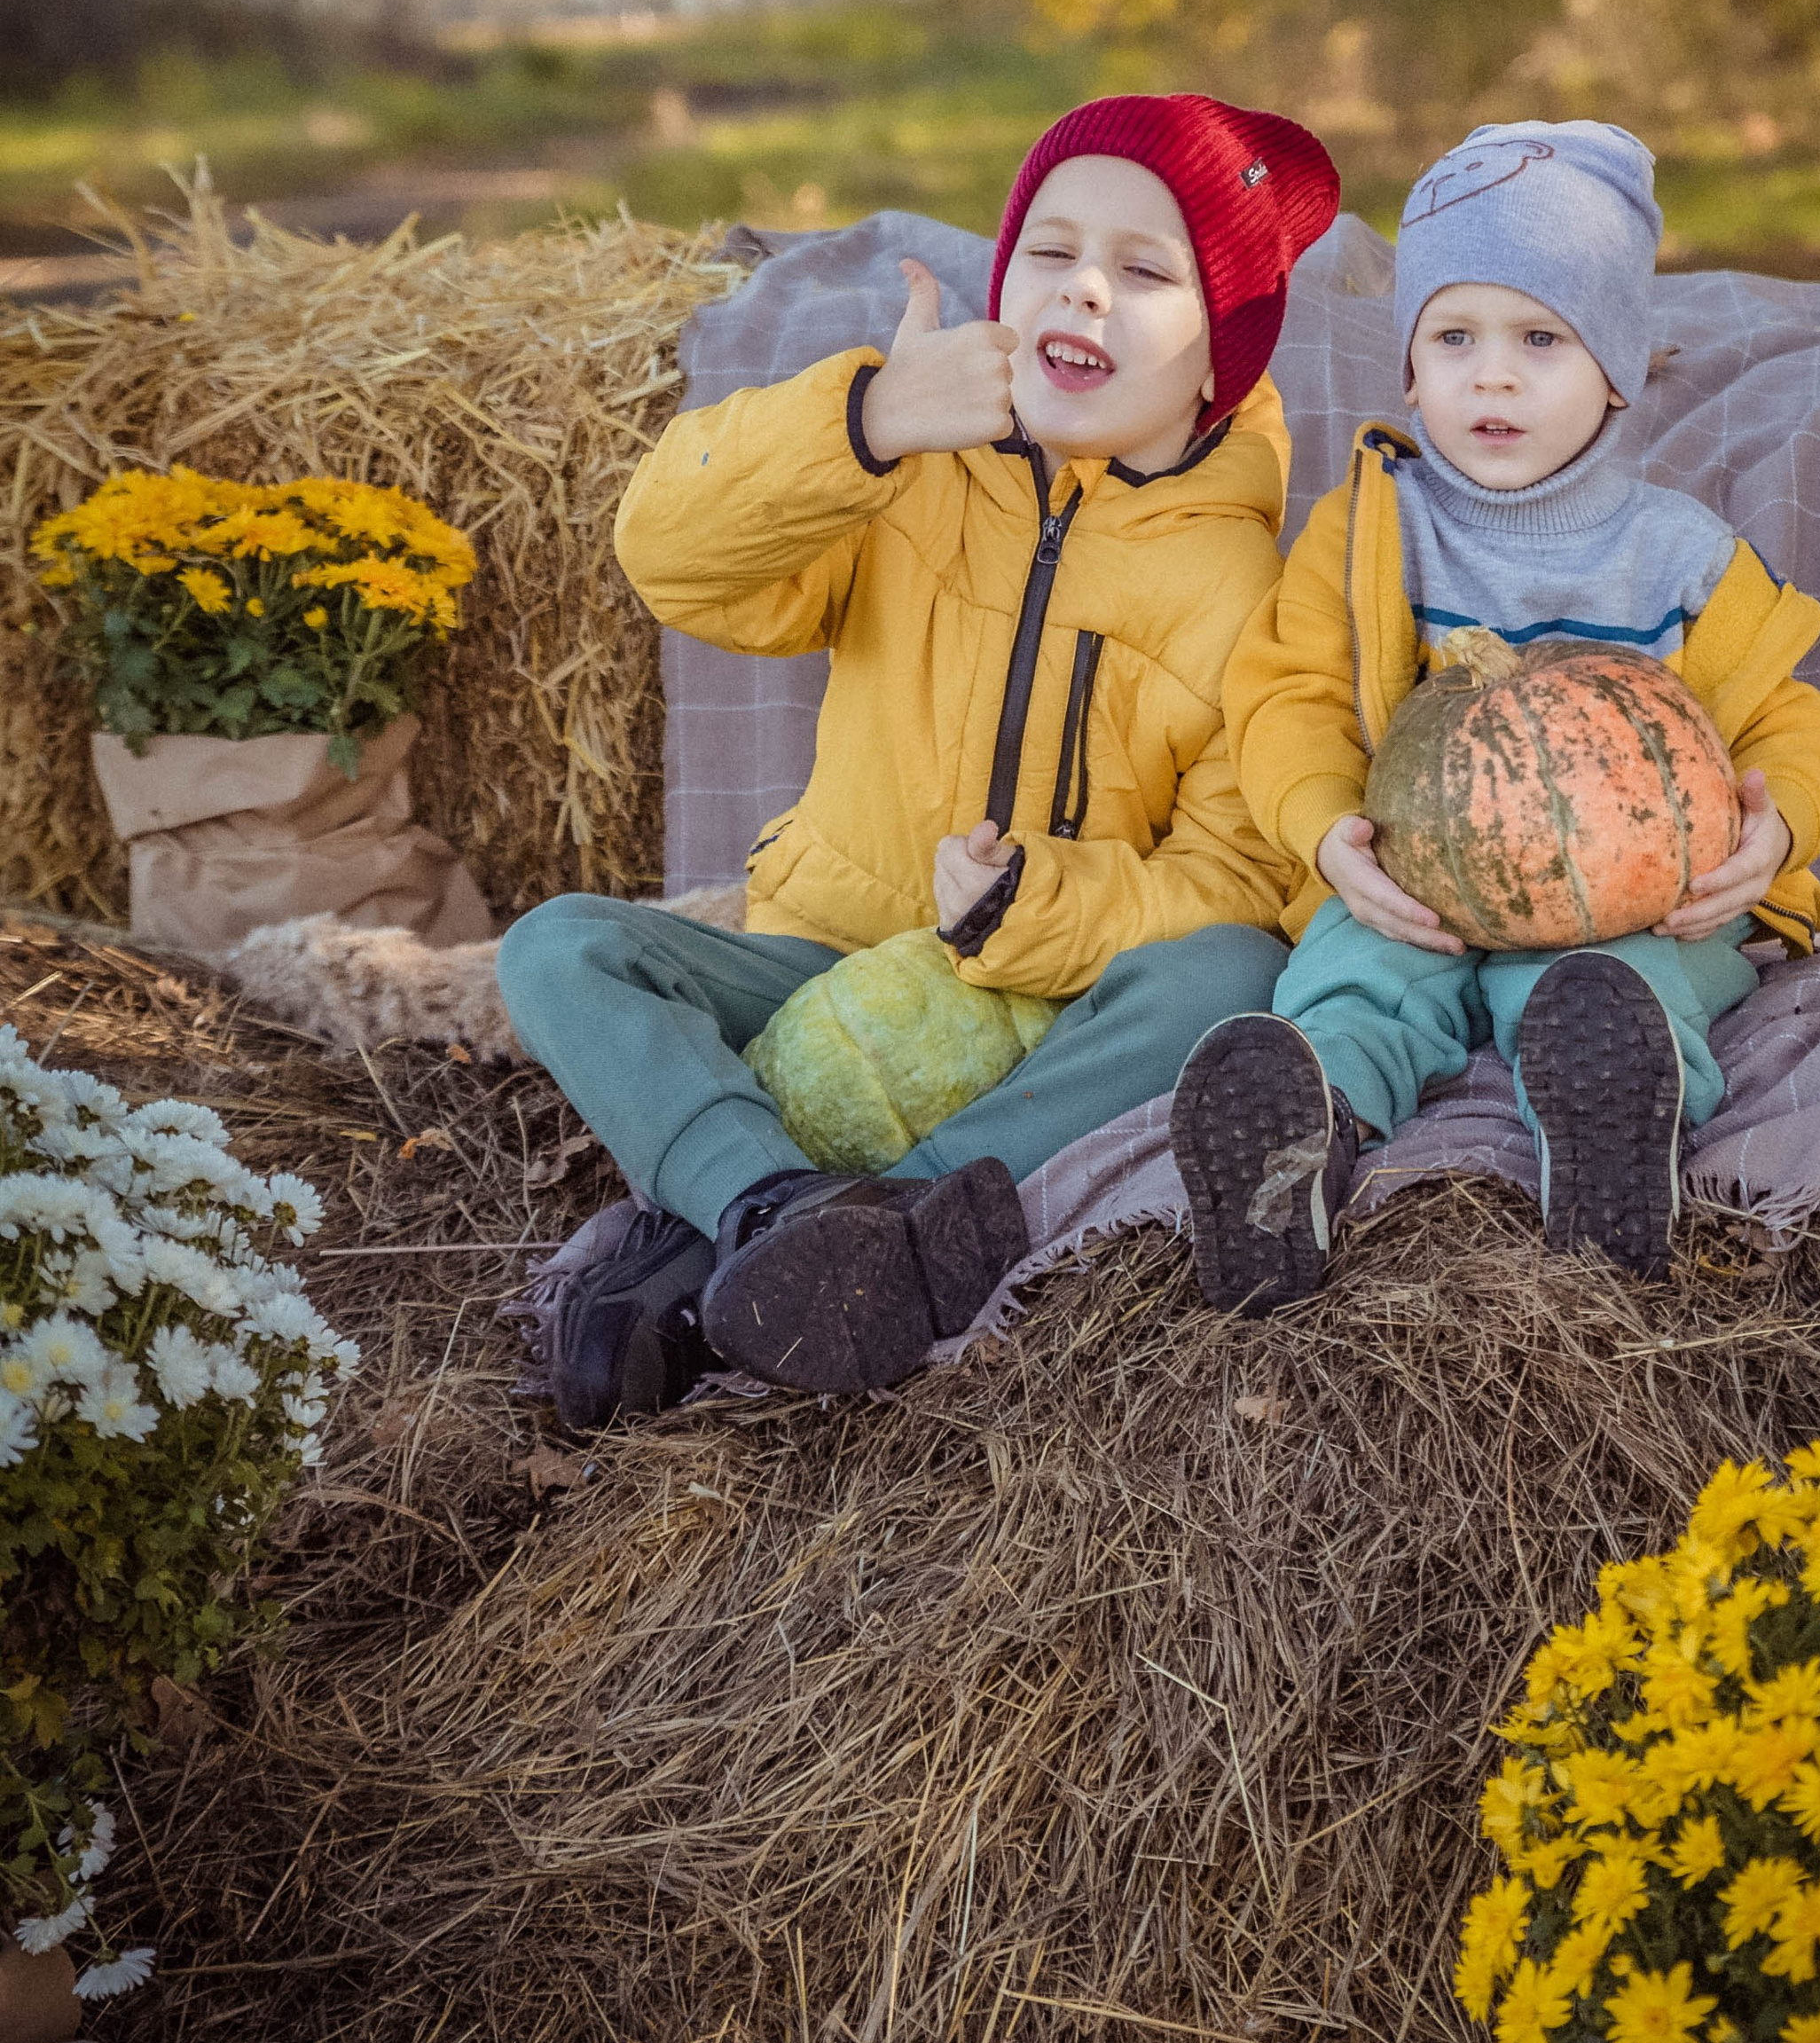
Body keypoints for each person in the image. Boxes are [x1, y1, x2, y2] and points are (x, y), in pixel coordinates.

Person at [498, 93, 1340, 1421]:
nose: (1084, 290)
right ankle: (771, 1206)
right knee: (558, 949)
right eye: (1051, 251)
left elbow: (1237, 877)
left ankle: (883, 1221)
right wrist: (871, 421)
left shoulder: (1247, 588)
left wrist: (1037, 906)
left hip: (1046, 1010)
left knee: (1234, 976)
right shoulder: (908, 464)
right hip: (828, 961)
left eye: (1145, 272)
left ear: (1217, 357)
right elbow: (671, 561)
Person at [1170, 120, 1820, 1312]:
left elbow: (1786, 724)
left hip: (1633, 895)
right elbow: (1290, 694)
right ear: (1410, 369)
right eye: (1455, 336)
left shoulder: (1681, 557)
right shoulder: (1372, 528)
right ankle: (1302, 1131)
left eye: (1541, 337)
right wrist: (1327, 832)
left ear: (1617, 368)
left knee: (1619, 984)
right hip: (1418, 884)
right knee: (1357, 976)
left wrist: (1774, 828)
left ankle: (1615, 1136)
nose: (1493, 375)